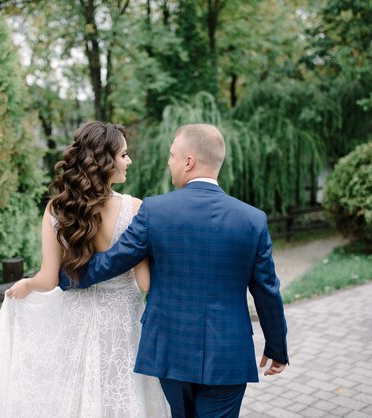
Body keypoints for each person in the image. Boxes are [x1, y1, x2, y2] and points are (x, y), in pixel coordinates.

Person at [58, 124, 288, 418]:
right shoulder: (253, 220)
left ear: (188, 162)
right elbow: (267, 290)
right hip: (228, 354)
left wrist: (65, 278)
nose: (169, 162)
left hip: (171, 352)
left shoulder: (155, 211)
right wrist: (276, 346)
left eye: (172, 155)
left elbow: (113, 261)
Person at [0, 121, 170, 417]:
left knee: (74, 396)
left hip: (75, 319)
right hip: (121, 324)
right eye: (124, 154)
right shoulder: (135, 209)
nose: (129, 161)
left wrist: (28, 284)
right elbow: (145, 284)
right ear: (105, 159)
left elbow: (48, 279)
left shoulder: (57, 209)